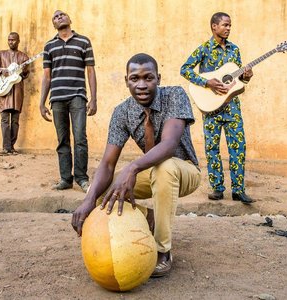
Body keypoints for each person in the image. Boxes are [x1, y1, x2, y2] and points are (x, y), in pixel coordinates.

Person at [72, 53, 201, 277]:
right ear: (126, 80)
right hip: (151, 171)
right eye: (134, 79)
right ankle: (148, 218)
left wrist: (131, 168)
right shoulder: (122, 112)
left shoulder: (175, 95)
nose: (141, 85)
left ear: (158, 78)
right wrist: (88, 199)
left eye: (148, 78)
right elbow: (108, 163)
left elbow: (169, 145)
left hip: (184, 170)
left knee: (165, 167)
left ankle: (163, 250)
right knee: (104, 191)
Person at [180, 12, 254, 204]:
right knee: (212, 148)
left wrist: (246, 76)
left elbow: (236, 79)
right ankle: (218, 189)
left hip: (232, 108)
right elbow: (185, 69)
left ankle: (238, 190)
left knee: (238, 149)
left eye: (230, 25)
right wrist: (207, 83)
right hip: (211, 108)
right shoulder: (204, 49)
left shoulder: (234, 50)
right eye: (225, 25)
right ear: (214, 26)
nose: (228, 28)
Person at [40, 10, 97, 193]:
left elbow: (90, 71)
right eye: (55, 17)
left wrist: (93, 98)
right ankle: (66, 178)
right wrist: (42, 103)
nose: (59, 17)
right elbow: (46, 77)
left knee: (80, 138)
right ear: (53, 25)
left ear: (70, 19)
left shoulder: (84, 41)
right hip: (57, 98)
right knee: (62, 139)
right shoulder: (49, 46)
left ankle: (81, 178)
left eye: (62, 15)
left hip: (78, 96)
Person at [0, 32, 30, 155]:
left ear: (18, 41)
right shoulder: (0, 54)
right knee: (5, 120)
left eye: (13, 40)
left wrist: (21, 72)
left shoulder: (23, 57)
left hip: (17, 92)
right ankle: (6, 148)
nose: (11, 42)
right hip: (3, 91)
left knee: (15, 121)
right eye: (9, 40)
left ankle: (11, 147)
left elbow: (26, 74)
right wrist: (1, 72)